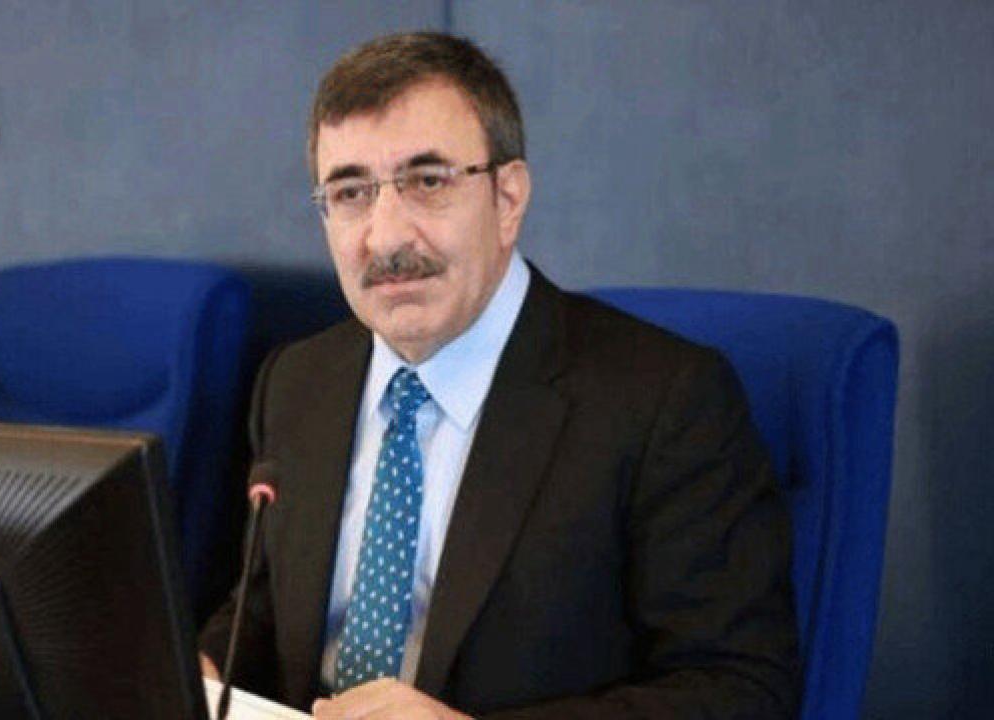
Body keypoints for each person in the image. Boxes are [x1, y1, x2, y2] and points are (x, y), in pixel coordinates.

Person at [200, 32, 799, 719]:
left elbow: (739, 691)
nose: (385, 236)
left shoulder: (666, 401)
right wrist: (201, 670)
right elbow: (265, 611)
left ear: (508, 198)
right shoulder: (297, 382)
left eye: (428, 181)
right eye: (351, 192)